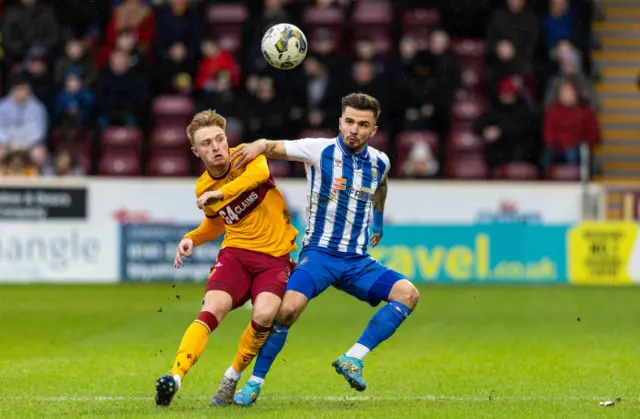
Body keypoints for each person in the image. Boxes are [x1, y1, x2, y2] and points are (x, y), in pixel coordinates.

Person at [230, 93, 420, 405]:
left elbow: (381, 185)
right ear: (340, 122)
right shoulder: (318, 151)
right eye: (349, 121)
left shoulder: (380, 161)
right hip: (319, 255)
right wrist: (256, 146)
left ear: (374, 130)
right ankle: (254, 382)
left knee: (408, 294)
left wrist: (379, 221)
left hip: (358, 262)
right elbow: (273, 146)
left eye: (362, 124)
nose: (353, 130)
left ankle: (353, 358)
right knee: (287, 310)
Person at [154, 110, 298, 407]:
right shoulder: (202, 187)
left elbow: (258, 176)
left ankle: (231, 377)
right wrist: (190, 238)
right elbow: (217, 224)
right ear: (196, 151)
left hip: (275, 257)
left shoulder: (248, 156)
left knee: (263, 315)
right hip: (235, 254)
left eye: (220, 139)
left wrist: (221, 194)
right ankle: (175, 376)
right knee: (212, 308)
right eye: (206, 143)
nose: (216, 147)